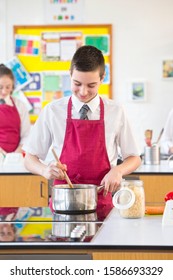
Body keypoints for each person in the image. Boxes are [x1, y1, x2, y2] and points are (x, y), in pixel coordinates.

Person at [23, 45, 141, 209]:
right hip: (63, 203)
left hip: (102, 202)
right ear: (70, 74)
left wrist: (118, 171)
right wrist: (44, 170)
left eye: (91, 85)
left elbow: (134, 157)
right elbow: (29, 158)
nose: (83, 92)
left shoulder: (116, 111)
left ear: (102, 78)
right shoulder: (52, 110)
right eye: (77, 83)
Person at [0, 64, 30, 156]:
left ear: (12, 86)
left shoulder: (20, 105)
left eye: (8, 87)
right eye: (0, 87)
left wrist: (18, 151)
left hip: (17, 155)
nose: (4, 91)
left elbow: (26, 134)